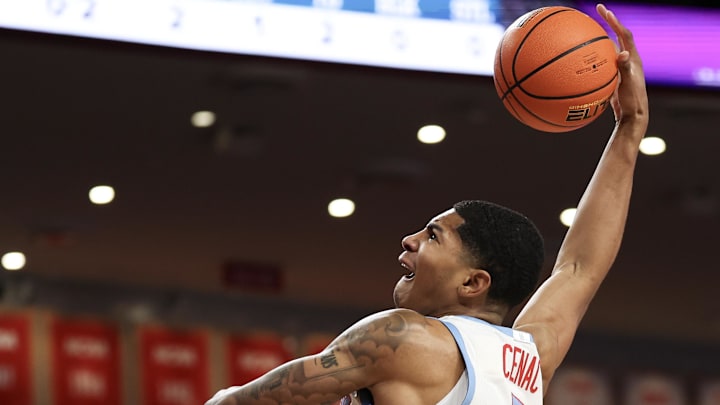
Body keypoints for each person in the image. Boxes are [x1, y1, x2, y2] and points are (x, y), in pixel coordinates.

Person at [206, 3, 649, 404]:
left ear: (473, 283)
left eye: (434, 235)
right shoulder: (530, 361)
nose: (410, 239)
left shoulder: (401, 337)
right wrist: (630, 128)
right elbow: (579, 269)